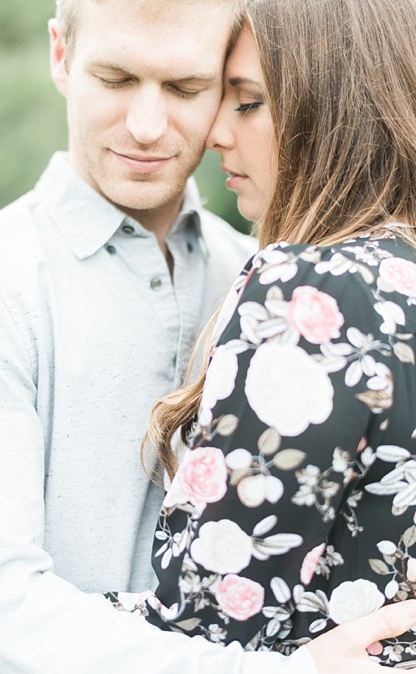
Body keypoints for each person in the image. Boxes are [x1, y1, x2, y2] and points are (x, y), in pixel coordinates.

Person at [0, 0, 416, 671]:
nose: (147, 127)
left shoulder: (286, 287)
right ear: (60, 56)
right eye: (116, 80)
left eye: (188, 89)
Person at [137, 0, 416, 665]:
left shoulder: (313, 290)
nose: (215, 136)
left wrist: (42, 610)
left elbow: (208, 619)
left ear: (334, 112)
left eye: (250, 102)